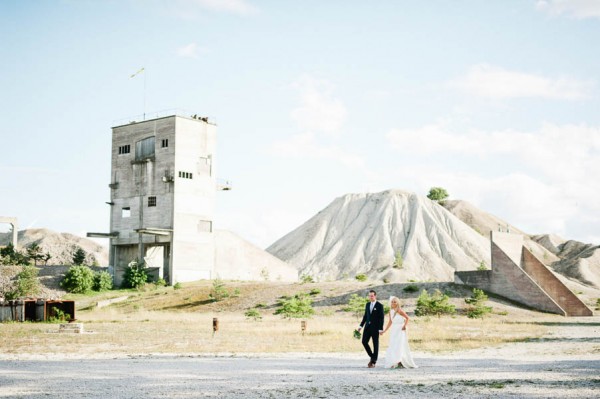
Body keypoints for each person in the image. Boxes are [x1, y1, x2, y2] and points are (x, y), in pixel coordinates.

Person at [382, 296, 418, 369]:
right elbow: (390, 322)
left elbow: (407, 318)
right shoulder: (390, 311)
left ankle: (399, 361)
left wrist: (404, 326)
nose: (393, 303)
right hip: (394, 330)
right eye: (392, 302)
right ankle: (395, 361)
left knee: (400, 345)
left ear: (397, 303)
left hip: (400, 329)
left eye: (394, 302)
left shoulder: (399, 310)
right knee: (393, 345)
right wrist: (385, 330)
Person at [357, 290, 385, 368]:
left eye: (372, 296)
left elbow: (381, 318)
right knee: (364, 342)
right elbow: (365, 316)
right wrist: (360, 326)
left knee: (375, 344)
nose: (370, 297)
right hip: (367, 327)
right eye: (369, 296)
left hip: (376, 328)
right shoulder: (367, 304)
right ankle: (373, 356)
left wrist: (380, 329)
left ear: (375, 296)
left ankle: (373, 361)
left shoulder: (380, 305)